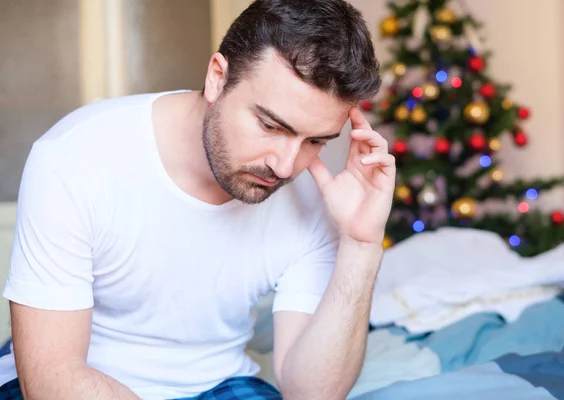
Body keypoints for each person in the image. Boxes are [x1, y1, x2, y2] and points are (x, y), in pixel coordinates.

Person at [0, 0, 394, 399]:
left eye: (315, 141)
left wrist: (361, 246)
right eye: (270, 125)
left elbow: (312, 393)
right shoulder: (76, 157)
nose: (286, 166)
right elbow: (52, 377)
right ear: (217, 78)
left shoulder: (313, 198)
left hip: (220, 386)